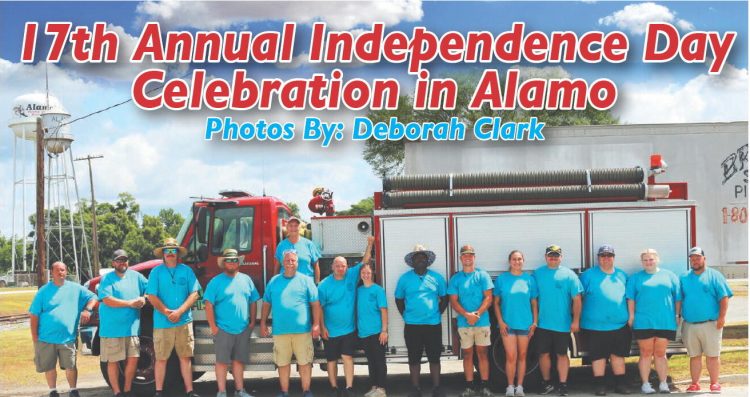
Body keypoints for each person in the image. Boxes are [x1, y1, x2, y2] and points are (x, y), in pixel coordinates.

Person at [29, 261, 97, 397]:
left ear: (66, 272)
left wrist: (88, 310)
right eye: (58, 270)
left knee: (71, 365)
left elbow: (94, 297)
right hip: (46, 337)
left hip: (68, 337)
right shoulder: (43, 291)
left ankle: (73, 390)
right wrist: (35, 337)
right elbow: (34, 315)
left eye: (63, 270)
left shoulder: (76, 288)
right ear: (52, 273)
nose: (61, 273)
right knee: (49, 366)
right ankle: (53, 391)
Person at [318, 237, 375, 396]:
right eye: (337, 265)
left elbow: (365, 261)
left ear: (347, 267)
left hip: (349, 329)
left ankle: (349, 387)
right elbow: (319, 309)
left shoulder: (351, 275)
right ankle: (334, 388)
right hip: (330, 330)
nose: (340, 268)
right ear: (332, 267)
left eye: (343, 265)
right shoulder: (323, 285)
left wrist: (369, 244)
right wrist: (322, 328)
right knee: (331, 360)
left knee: (347, 357)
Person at [145, 238, 202, 397]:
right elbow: (151, 295)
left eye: (173, 251)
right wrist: (166, 312)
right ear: (163, 254)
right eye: (167, 251)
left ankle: (190, 391)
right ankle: (158, 392)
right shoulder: (156, 272)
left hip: (184, 321)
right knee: (161, 359)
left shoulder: (186, 271)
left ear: (178, 253)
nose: (170, 254)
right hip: (162, 323)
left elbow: (195, 293)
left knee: (185, 358)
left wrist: (180, 311)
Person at [261, 249, 321, 397]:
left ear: (297, 262)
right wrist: (263, 323)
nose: (290, 263)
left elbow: (315, 304)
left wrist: (316, 324)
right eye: (287, 260)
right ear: (282, 262)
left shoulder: (306, 280)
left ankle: (306, 391)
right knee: (282, 363)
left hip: (302, 330)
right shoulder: (274, 281)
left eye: (293, 260)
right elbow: (266, 303)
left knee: (305, 362)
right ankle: (284, 392)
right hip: (280, 331)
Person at [204, 249, 260, 397]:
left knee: (238, 361)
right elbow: (208, 304)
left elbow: (253, 300)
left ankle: (239, 391)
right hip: (223, 329)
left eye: (234, 260)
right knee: (222, 362)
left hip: (242, 328)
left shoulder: (246, 279)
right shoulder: (215, 282)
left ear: (238, 262)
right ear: (224, 263)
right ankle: (222, 392)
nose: (232, 262)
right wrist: (213, 327)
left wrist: (252, 321)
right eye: (229, 260)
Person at [395, 245, 449, 397]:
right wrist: (405, 315)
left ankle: (437, 388)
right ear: (412, 261)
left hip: (433, 325)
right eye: (417, 257)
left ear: (427, 261)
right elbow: (398, 299)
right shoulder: (404, 279)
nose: (420, 259)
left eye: (423, 257)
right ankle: (415, 388)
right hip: (412, 325)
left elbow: (445, 298)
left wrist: (438, 313)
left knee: (434, 357)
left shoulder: (437, 278)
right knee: (414, 357)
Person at [626, 249, 682, 395]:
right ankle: (645, 384)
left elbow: (677, 297)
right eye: (645, 260)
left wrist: (677, 315)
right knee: (645, 353)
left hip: (665, 321)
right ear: (642, 262)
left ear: (657, 260)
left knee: (660, 353)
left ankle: (663, 383)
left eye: (651, 259)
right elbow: (630, 299)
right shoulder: (636, 278)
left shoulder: (669, 276)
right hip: (643, 322)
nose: (649, 262)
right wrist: (631, 316)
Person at [579, 245, 631, 396]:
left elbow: (629, 298)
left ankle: (620, 385)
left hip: (619, 325)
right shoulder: (588, 276)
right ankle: (599, 386)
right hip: (595, 326)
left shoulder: (622, 275)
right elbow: (578, 298)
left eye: (609, 256)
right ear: (598, 258)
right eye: (603, 256)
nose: (606, 258)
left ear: (614, 258)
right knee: (598, 357)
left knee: (618, 356)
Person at [680, 247, 733, 394]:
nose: (695, 261)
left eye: (697, 257)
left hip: (711, 323)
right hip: (690, 324)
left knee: (712, 355)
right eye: (692, 258)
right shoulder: (684, 277)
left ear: (704, 258)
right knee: (694, 356)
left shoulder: (714, 275)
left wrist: (722, 318)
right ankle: (695, 383)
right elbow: (680, 299)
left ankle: (714, 383)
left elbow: (724, 297)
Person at [533, 245, 583, 396]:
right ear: (545, 256)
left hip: (562, 324)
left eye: (556, 255)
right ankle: (546, 383)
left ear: (561, 257)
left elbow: (577, 300)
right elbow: (533, 299)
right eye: (550, 255)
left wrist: (575, 321)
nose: (553, 257)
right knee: (543, 354)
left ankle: (563, 384)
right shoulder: (537, 274)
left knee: (562, 354)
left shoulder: (569, 275)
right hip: (543, 324)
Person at [98, 249, 148, 397]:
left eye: (124, 260)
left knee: (133, 359)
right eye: (119, 260)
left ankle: (127, 390)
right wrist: (130, 303)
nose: (122, 263)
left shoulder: (137, 276)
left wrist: (144, 298)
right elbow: (107, 299)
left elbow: (150, 288)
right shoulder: (106, 279)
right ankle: (117, 392)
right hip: (112, 329)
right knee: (113, 361)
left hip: (132, 329)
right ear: (113, 263)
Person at [448, 245, 494, 397]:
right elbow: (453, 301)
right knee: (467, 355)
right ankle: (469, 386)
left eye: (470, 255)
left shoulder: (482, 275)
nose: (468, 257)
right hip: (464, 323)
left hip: (482, 322)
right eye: (464, 255)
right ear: (461, 258)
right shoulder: (456, 279)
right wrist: (467, 315)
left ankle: (485, 386)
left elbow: (488, 297)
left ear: (474, 257)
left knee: (482, 354)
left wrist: (477, 314)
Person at [493, 250, 538, 397]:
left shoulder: (529, 279)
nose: (517, 262)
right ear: (509, 261)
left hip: (525, 324)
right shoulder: (502, 279)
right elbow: (496, 303)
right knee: (511, 356)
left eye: (519, 259)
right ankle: (510, 387)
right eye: (514, 259)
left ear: (523, 261)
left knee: (522, 356)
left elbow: (534, 303)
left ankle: (520, 387)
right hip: (508, 324)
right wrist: (500, 321)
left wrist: (535, 322)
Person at [356, 244, 388, 397]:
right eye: (363, 272)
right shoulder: (359, 290)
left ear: (372, 274)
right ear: (361, 275)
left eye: (368, 272)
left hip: (377, 332)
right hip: (364, 332)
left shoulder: (378, 290)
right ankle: (374, 386)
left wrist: (384, 331)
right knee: (371, 362)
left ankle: (381, 389)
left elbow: (384, 310)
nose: (366, 275)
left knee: (379, 361)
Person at [273, 216, 322, 283]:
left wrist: (316, 284)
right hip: (286, 285)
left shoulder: (309, 244)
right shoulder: (281, 245)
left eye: (296, 225)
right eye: (291, 225)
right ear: (287, 227)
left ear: (300, 227)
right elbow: (277, 267)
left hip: (306, 285)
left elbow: (316, 266)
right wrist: (275, 283)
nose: (293, 228)